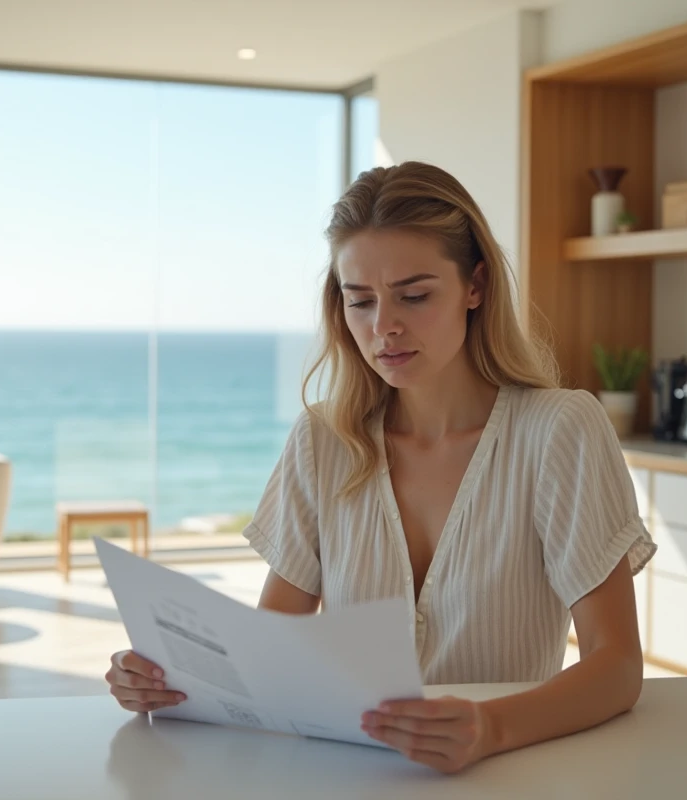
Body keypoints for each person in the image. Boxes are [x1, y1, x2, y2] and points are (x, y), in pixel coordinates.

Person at [105, 161, 657, 774]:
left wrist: (489, 728)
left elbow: (618, 667)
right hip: (351, 778)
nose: (383, 327)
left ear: (475, 286)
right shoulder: (322, 440)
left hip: (507, 777)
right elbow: (269, 660)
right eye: (360, 301)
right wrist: (165, 681)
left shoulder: (560, 431)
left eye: (414, 296)